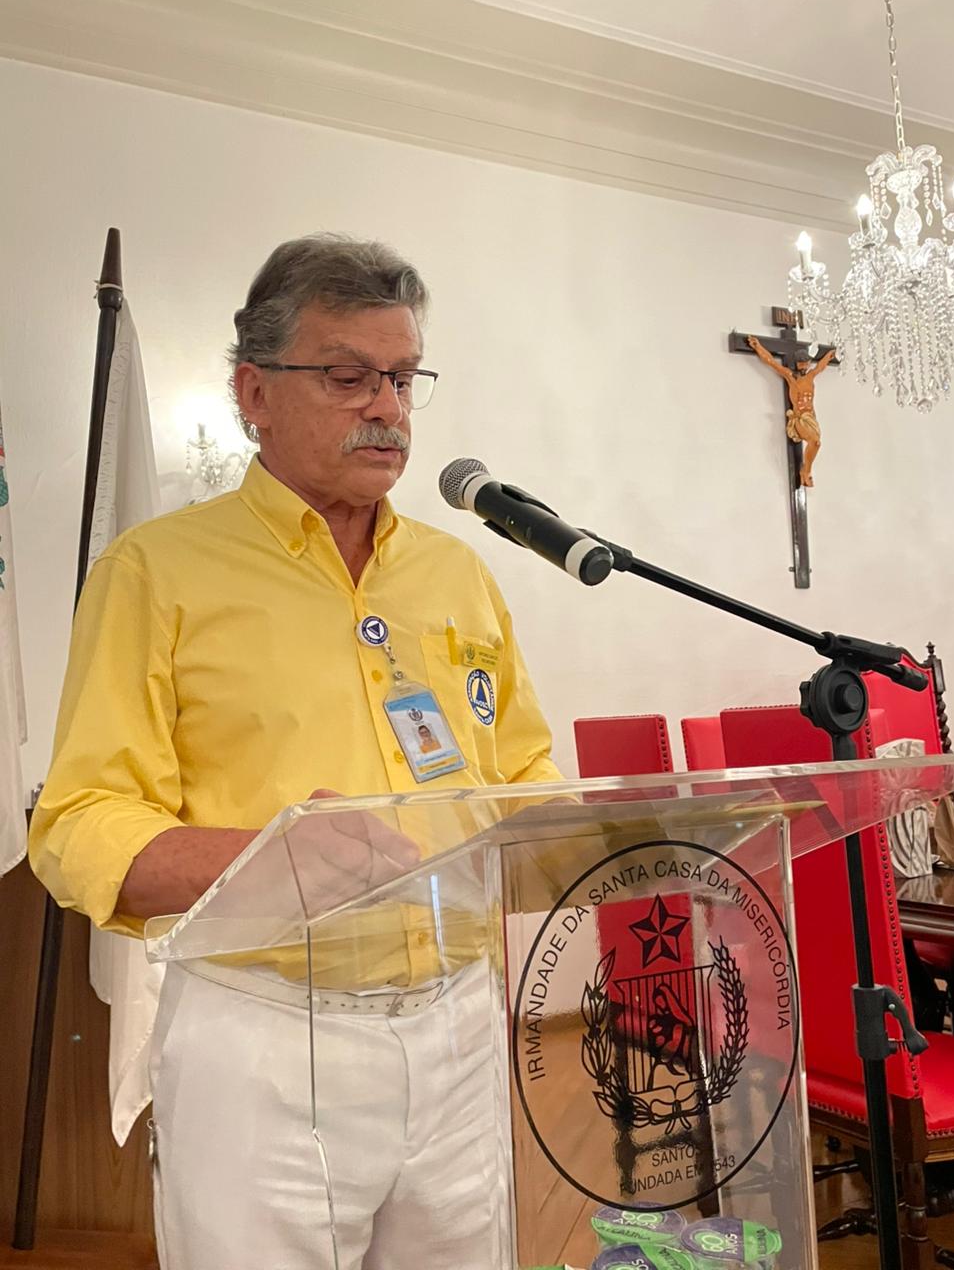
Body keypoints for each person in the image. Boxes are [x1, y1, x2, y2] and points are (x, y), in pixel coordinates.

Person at [29, 234, 561, 1270]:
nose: (388, 408)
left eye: (403, 377)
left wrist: (574, 831)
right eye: (348, 376)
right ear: (254, 392)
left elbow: (525, 775)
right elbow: (80, 822)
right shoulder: (155, 571)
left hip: (460, 1023)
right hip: (266, 1032)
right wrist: (261, 861)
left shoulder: (457, 574)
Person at [746, 336, 835, 487]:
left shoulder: (811, 376)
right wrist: (758, 346)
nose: (804, 365)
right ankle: (806, 471)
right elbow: (771, 362)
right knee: (815, 442)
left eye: (806, 362)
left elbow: (821, 366)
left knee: (816, 443)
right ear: (796, 363)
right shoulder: (790, 377)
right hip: (799, 418)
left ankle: (805, 470)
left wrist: (829, 355)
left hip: (811, 417)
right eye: (801, 362)